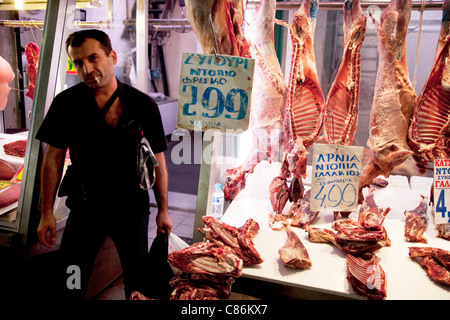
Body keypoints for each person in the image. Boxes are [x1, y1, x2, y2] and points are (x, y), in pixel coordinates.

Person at [36, 29, 172, 299]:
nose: (86, 68)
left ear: (112, 56)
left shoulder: (142, 105)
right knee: (72, 277)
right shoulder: (67, 103)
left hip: (131, 208)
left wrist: (164, 210)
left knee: (137, 280)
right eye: (77, 62)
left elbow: (157, 160)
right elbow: (53, 157)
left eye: (93, 58)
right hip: (86, 207)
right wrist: (46, 212)